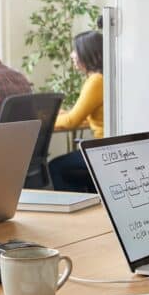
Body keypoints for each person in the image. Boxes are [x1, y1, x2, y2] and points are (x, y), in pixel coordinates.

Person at [50, 30, 104, 192]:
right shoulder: (103, 77)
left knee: (55, 167)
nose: (72, 55)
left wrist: (44, 121)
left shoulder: (96, 80)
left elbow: (72, 121)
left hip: (101, 150)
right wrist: (62, 115)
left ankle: (74, 210)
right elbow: (91, 117)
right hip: (107, 147)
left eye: (76, 50)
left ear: (88, 53)